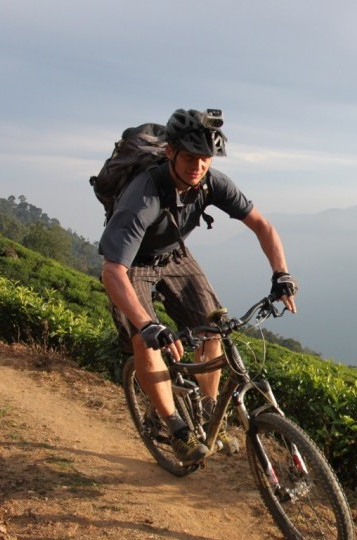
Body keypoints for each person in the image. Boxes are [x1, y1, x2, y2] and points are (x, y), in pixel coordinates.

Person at [99, 108, 298, 465]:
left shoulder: (211, 182)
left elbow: (262, 225)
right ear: (170, 152)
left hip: (174, 256)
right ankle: (175, 428)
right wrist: (147, 324)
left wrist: (281, 274)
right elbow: (112, 271)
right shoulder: (142, 197)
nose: (198, 166)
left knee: (213, 327)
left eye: (205, 158)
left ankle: (207, 418)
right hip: (132, 266)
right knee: (145, 342)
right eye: (190, 157)